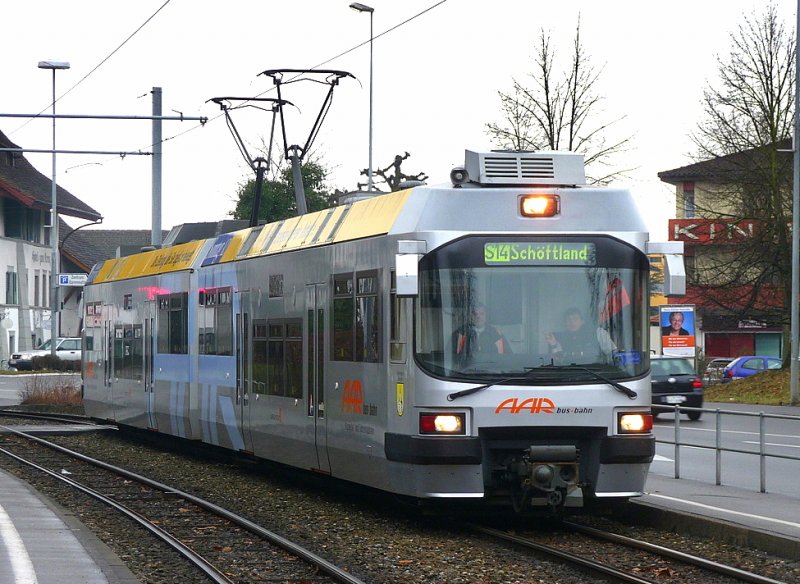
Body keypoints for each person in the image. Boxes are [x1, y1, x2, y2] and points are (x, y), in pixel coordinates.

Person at [545, 308, 616, 363]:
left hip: (597, 374)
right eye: (568, 320)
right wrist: (553, 343)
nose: (572, 322)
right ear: (565, 323)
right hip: (569, 374)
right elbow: (558, 360)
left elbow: (613, 354)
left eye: (575, 319)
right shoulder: (559, 338)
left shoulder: (598, 333)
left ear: (582, 321)